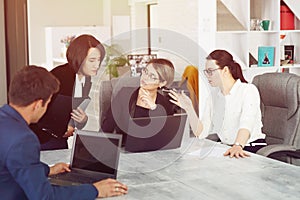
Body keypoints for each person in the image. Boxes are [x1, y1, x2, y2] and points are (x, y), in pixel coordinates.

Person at [0, 66, 128, 199]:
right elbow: (45, 197)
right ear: (38, 105)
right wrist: (95, 190)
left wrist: (48, 170)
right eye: (48, 103)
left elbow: (15, 164)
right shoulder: (23, 139)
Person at [169, 50, 266, 158]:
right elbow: (201, 133)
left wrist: (238, 145)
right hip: (227, 148)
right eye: (206, 71)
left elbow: (247, 123)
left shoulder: (248, 90)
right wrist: (189, 108)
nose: (207, 76)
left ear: (225, 70)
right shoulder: (213, 96)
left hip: (248, 148)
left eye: (210, 71)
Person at [30, 34, 105, 150]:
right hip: (42, 140)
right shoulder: (60, 77)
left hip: (59, 140)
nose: (97, 65)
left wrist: (82, 120)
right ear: (78, 58)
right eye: (92, 60)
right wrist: (65, 128)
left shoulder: (86, 78)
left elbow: (72, 113)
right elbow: (42, 114)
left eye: (99, 60)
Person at [101, 58, 176, 142]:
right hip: (124, 149)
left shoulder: (165, 104)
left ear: (162, 83)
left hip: (154, 152)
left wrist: (154, 108)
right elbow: (106, 128)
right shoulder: (124, 94)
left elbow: (166, 136)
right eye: (146, 71)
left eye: (152, 76)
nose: (145, 77)